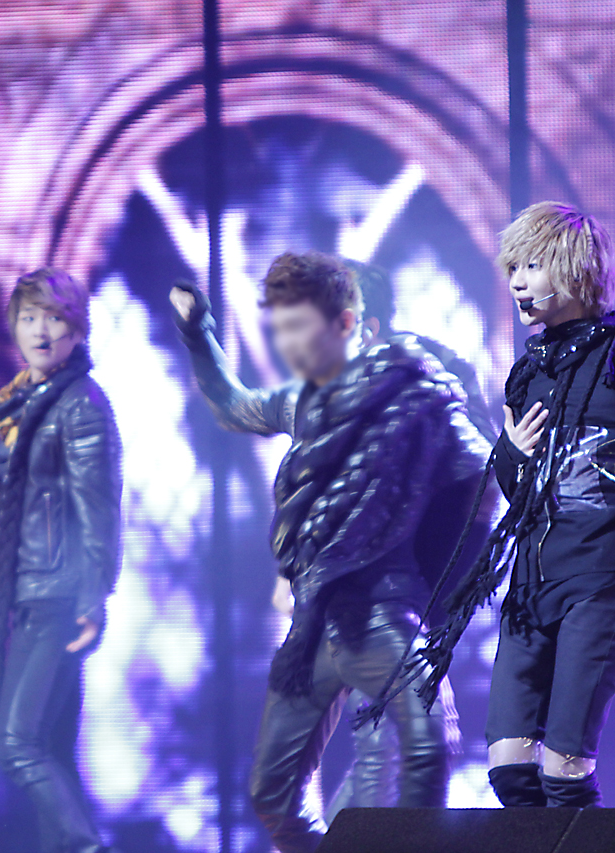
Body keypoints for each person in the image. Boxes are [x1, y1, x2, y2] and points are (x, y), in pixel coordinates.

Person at [365, 202, 615, 809]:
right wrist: (509, 452)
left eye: (532, 266)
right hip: (532, 582)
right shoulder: (528, 372)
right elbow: (517, 488)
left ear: (574, 270)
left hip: (600, 580)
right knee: (511, 771)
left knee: (564, 774)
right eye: (513, 267)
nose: (517, 281)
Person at [170, 250, 491, 852]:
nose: (287, 344)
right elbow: (233, 405)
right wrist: (198, 333)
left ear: (347, 324)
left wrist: (441, 593)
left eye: (299, 328)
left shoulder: (417, 397)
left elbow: (484, 481)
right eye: (280, 329)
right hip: (315, 624)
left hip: (384, 612)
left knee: (420, 745)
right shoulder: (304, 401)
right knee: (271, 793)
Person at [0, 268, 123, 853]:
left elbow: (98, 506)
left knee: (18, 744)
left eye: (54, 318)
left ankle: (87, 847)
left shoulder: (80, 404)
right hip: (31, 590)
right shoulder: (25, 403)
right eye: (29, 317)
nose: (39, 330)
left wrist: (93, 596)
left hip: (58, 594)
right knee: (50, 745)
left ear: (76, 331)